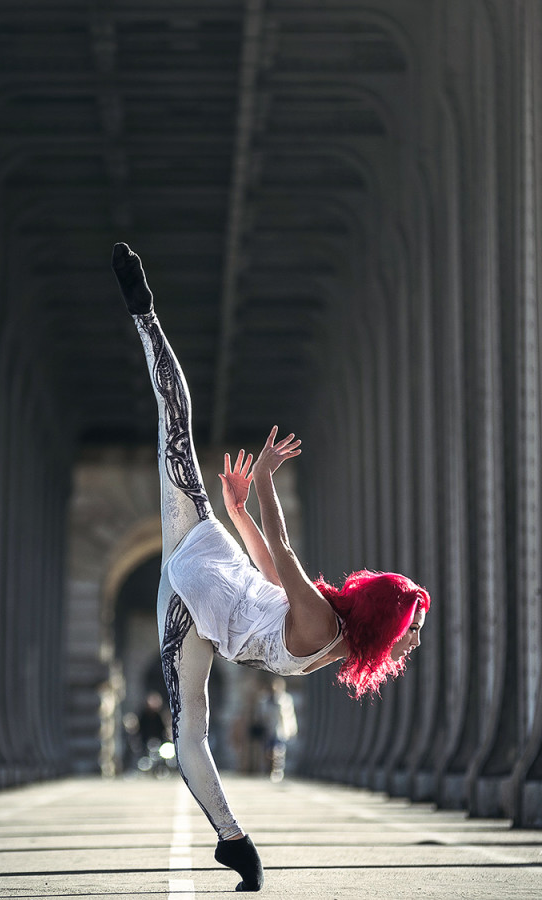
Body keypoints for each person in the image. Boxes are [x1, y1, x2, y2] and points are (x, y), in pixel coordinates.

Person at [111, 243, 431, 892]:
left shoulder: (321, 625)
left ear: (368, 604)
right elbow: (266, 569)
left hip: (193, 591)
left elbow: (281, 556)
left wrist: (263, 481)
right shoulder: (331, 634)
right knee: (190, 728)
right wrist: (239, 507)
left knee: (177, 425)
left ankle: (148, 319)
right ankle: (235, 842)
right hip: (208, 572)